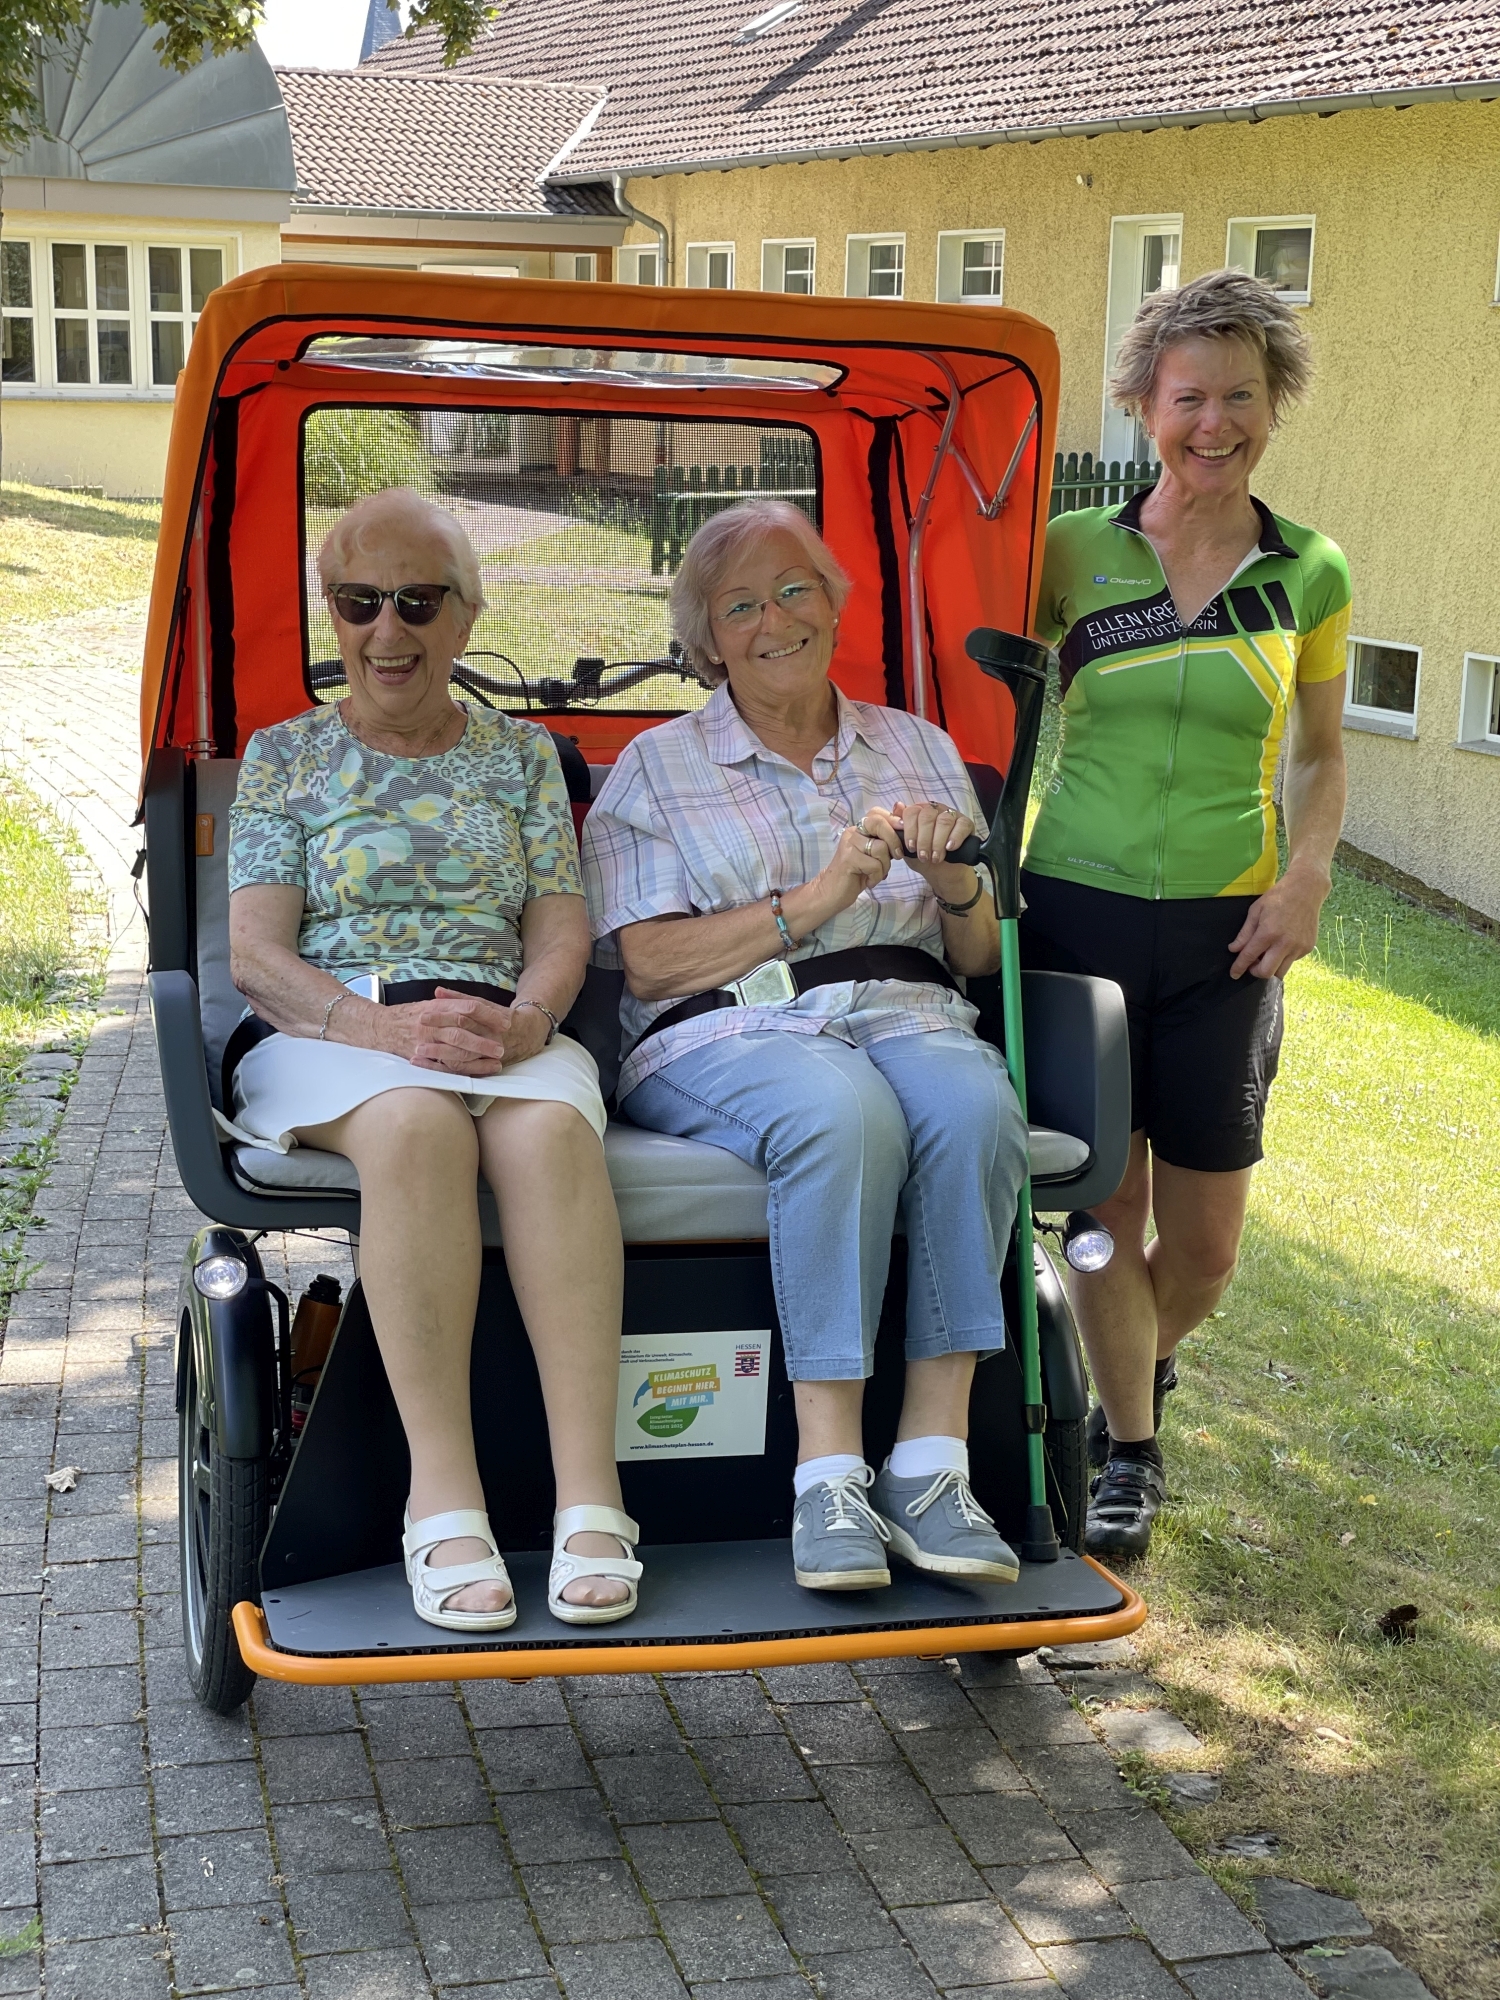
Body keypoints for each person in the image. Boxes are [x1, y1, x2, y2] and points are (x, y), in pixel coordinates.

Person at [583, 498, 1029, 1593]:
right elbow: (647, 965)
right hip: (730, 1024)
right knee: (843, 1108)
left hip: (910, 1009)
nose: (772, 617)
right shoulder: (654, 767)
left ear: (834, 604)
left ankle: (931, 1464)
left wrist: (957, 874)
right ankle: (827, 1474)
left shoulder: (916, 745)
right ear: (706, 641)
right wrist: (816, 898)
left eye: (794, 589)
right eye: (739, 605)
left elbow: (976, 956)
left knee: (975, 1107)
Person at [226, 487, 641, 1633]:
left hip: (499, 1024)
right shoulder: (285, 757)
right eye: (359, 602)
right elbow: (257, 955)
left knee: (550, 1130)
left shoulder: (519, 761)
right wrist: (385, 1031)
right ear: (334, 611)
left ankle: (588, 1492)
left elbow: (560, 927)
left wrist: (530, 1017)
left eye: (416, 601)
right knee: (413, 1123)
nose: (386, 631)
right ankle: (441, 1497)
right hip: (332, 1028)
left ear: (466, 615)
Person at [1022, 268, 1350, 1558]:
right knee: (1107, 1217)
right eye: (1188, 397)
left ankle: (1130, 1374)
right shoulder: (1069, 552)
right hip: (1079, 916)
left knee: (1203, 1248)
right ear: (1144, 406)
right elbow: (994, 707)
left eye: (1241, 397)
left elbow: (1322, 753)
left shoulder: (1310, 570)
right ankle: (1130, 1451)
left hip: (1231, 932)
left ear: (1276, 406)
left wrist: (1307, 873)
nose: (1215, 422)